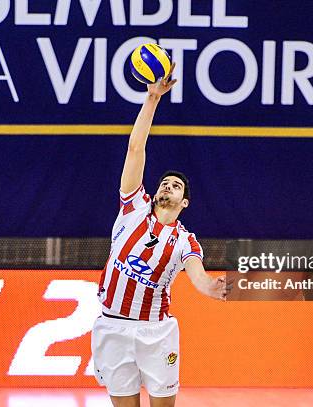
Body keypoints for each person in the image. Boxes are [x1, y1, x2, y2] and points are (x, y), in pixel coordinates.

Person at [91, 63, 230, 407]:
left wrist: (210, 288)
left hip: (156, 332)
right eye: (164, 183)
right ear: (155, 193)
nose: (168, 185)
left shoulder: (185, 240)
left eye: (176, 186)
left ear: (184, 202)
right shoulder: (132, 207)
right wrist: (152, 100)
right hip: (112, 326)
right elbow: (135, 149)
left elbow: (197, 274)